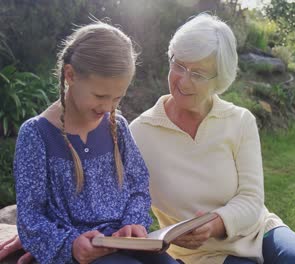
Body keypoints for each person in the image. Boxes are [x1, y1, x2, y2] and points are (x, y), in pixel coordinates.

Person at [129, 14, 295, 264]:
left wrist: (216, 224)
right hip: (197, 254)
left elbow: (251, 198)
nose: (183, 80)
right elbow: (128, 210)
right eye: (179, 65)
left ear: (220, 79)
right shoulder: (139, 133)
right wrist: (161, 236)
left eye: (198, 74)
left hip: (257, 231)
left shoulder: (240, 121)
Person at [0, 22, 178, 264]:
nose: (108, 107)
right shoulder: (36, 135)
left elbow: (138, 186)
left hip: (122, 241)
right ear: (70, 75)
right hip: (78, 252)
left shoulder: (118, 127)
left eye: (117, 97)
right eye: (100, 96)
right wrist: (69, 245)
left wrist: (133, 222)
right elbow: (31, 217)